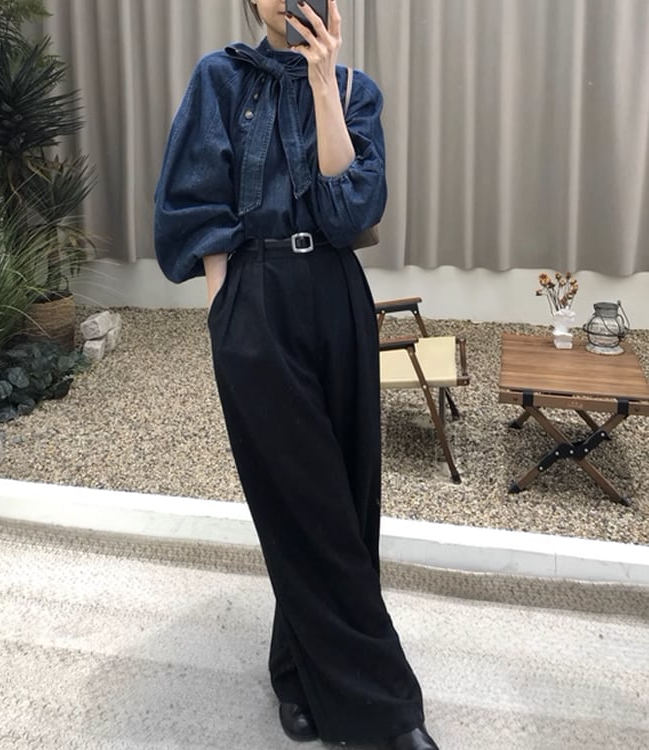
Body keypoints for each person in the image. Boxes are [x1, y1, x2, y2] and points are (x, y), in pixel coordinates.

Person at [154, 1, 439, 747]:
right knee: (301, 497)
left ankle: (297, 672)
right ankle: (388, 713)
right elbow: (192, 201)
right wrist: (225, 309)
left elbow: (351, 211)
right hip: (256, 296)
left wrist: (321, 82)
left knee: (343, 499)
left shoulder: (353, 90)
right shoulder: (220, 78)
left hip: (337, 295)